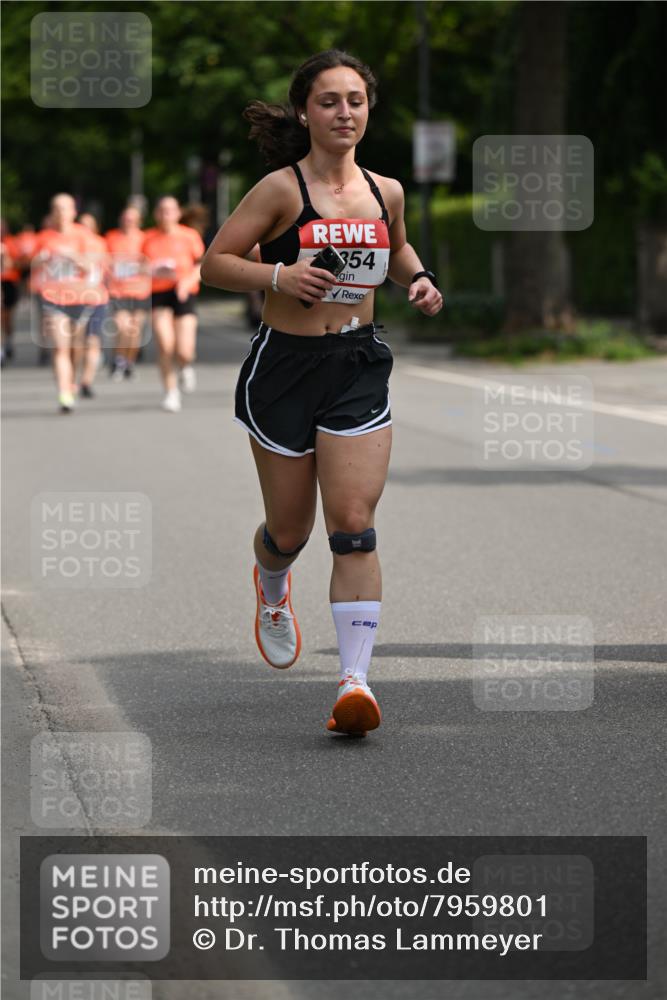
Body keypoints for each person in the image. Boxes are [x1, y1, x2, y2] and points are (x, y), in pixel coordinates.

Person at [201, 49, 443, 735]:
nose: (344, 112)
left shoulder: (384, 189)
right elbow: (214, 262)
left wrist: (417, 278)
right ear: (305, 110)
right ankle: (272, 585)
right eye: (330, 100)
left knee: (352, 526)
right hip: (284, 369)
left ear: (368, 110)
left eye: (355, 100)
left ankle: (353, 684)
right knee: (289, 531)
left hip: (356, 366)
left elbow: (393, 247)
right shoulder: (280, 190)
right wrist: (278, 279)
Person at [30, 194, 101, 412]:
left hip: (79, 298)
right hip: (53, 298)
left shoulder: (83, 235)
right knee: (60, 347)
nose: (61, 213)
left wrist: (74, 258)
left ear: (73, 212)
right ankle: (64, 392)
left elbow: (93, 266)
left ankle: (72, 381)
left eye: (65, 208)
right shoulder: (44, 237)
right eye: (57, 209)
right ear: (52, 213)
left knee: (75, 348)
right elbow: (32, 268)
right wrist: (40, 260)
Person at [142, 196, 205, 412]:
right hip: (158, 293)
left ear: (178, 213)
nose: (165, 214)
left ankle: (186, 366)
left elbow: (201, 266)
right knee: (165, 344)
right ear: (155, 214)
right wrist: (151, 270)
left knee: (185, 350)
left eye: (170, 210)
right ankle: (171, 393)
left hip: (183, 292)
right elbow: (137, 268)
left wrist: (187, 281)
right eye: (161, 210)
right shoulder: (147, 238)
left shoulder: (189, 236)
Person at [105, 205, 151, 380]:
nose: (128, 222)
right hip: (118, 291)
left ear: (138, 221)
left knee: (135, 330)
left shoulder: (145, 238)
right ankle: (118, 360)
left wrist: (140, 266)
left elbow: (151, 261)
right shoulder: (111, 237)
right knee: (121, 327)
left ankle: (129, 361)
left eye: (132, 219)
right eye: (125, 218)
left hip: (140, 291)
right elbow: (105, 260)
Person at [76, 212, 111, 399]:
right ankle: (72, 378)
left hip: (97, 298)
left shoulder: (100, 243)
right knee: (76, 342)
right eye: (81, 225)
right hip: (73, 299)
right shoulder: (70, 243)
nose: (85, 229)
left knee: (93, 340)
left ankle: (87, 382)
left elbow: (105, 269)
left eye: (89, 225)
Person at [1, 220, 20, 365]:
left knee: (6, 317)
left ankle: (8, 340)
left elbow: (16, 263)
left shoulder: (11, 243)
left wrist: (5, 256)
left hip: (8, 282)